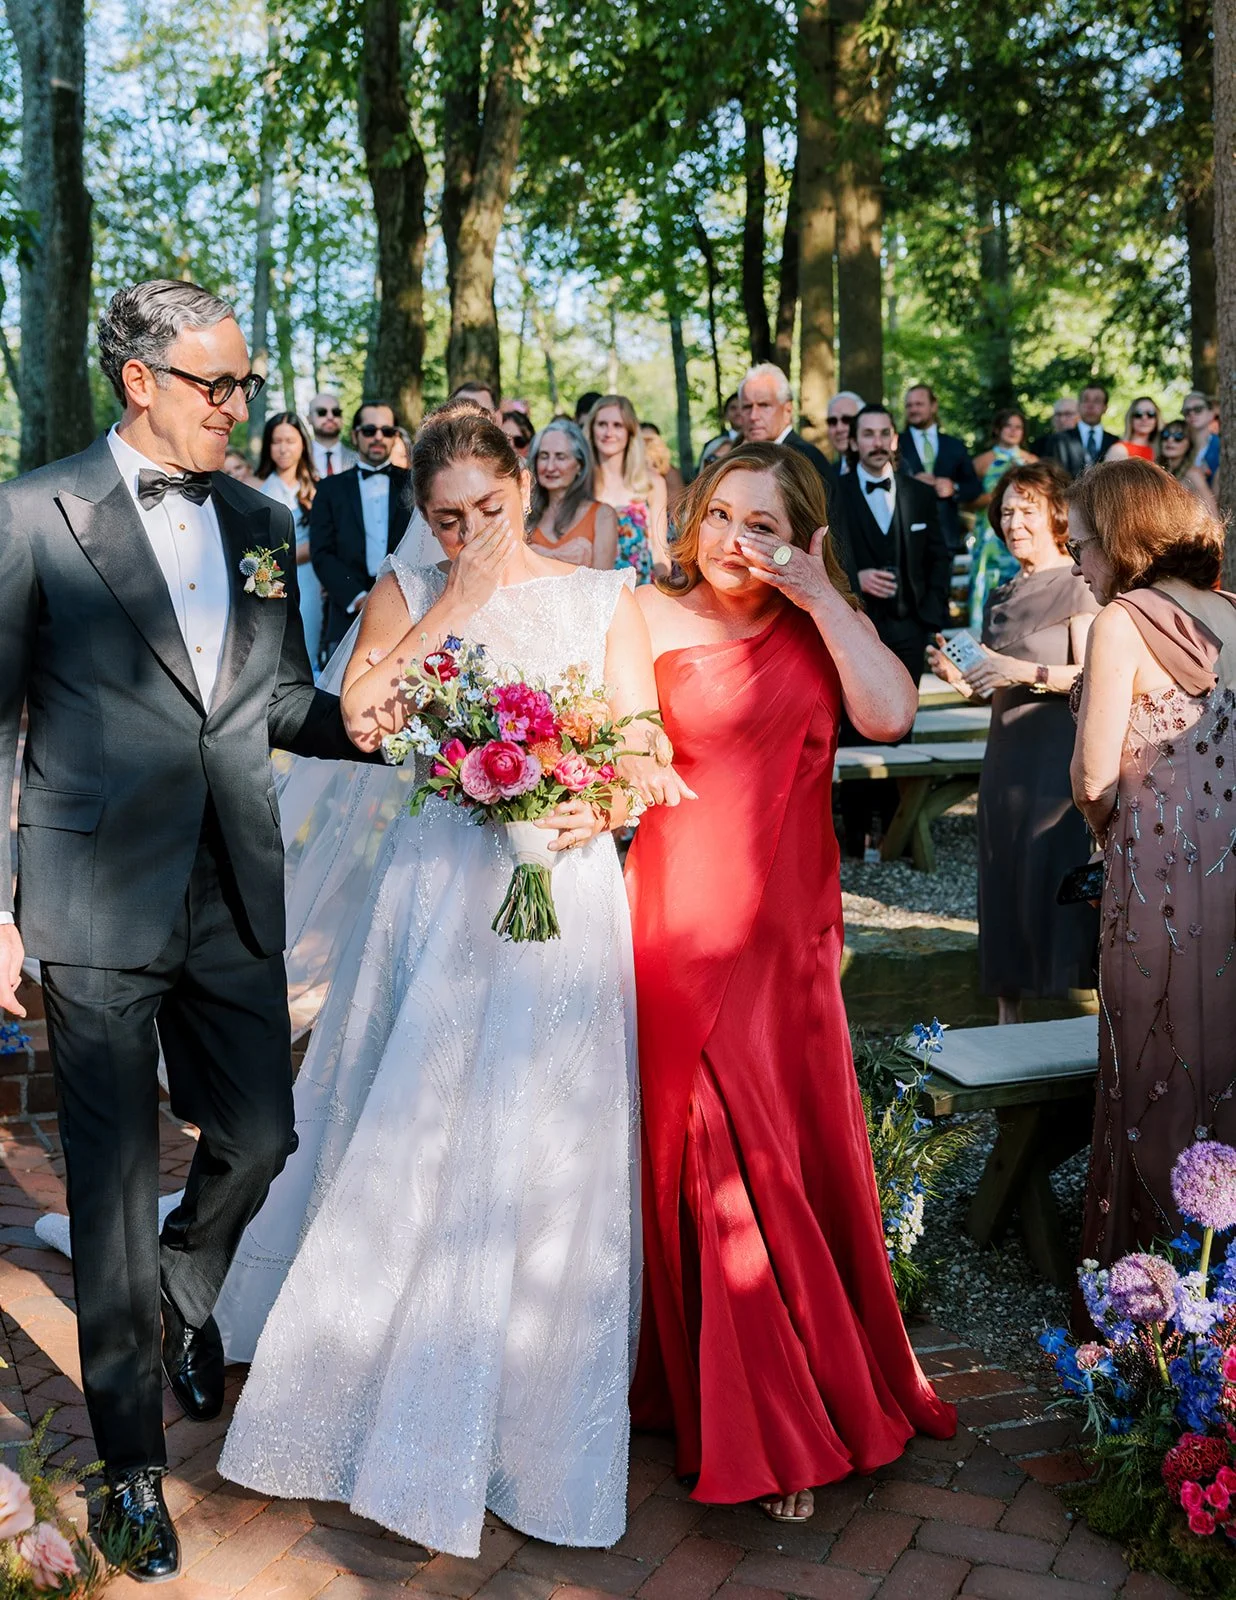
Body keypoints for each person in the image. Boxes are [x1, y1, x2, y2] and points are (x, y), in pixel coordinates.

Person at [214, 411, 688, 1559]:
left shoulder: (602, 596)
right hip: (436, 888)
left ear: (524, 484)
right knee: (413, 1123)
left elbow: (644, 749)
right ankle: (367, 1373)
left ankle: (524, 1416)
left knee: (545, 1134)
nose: (472, 529)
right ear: (424, 515)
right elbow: (363, 719)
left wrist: (588, 798)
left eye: (489, 507)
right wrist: (452, 600)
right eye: (447, 515)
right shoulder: (406, 590)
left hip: (560, 890)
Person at [0, 279, 364, 1580]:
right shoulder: (33, 514)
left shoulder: (265, 521)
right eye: (218, 383)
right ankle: (130, 1469)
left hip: (232, 886)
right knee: (104, 1185)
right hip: (92, 894)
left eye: (245, 382)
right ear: (140, 380)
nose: (239, 405)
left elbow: (277, 698)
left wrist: (392, 729)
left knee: (261, 1134)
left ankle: (186, 1285)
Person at [628, 442, 955, 1523]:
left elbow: (890, 716)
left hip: (791, 937)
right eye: (721, 515)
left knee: (784, 1154)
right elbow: (621, 750)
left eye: (762, 524)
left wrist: (821, 597)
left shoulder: (819, 624)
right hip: (679, 923)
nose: (734, 540)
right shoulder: (644, 614)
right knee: (713, 1156)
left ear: (802, 535)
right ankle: (762, 1423)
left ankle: (797, 1385)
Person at [1069, 458, 1236, 1277]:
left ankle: (1152, 1290)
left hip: (1155, 880)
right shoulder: (1232, 612)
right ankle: (1221, 1284)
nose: (1075, 562)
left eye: (1082, 544)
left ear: (1121, 538)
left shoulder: (1119, 623)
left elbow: (1093, 777)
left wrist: (1108, 832)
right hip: (1231, 870)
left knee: (1153, 1065)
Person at [928, 462, 1099, 1024]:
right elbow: (992, 682)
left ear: (1056, 516)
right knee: (1003, 874)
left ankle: (1090, 1020)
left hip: (1059, 754)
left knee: (1058, 870)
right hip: (1005, 756)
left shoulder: (1079, 583)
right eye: (1005, 512)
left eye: (1026, 510)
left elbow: (1093, 676)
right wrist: (962, 675)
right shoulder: (1001, 594)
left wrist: (1017, 670)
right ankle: (1008, 1019)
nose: (1012, 522)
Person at [832, 403, 950, 684]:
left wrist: (929, 618)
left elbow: (938, 556)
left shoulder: (920, 494)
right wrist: (856, 580)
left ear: (895, 440)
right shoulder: (832, 493)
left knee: (906, 710)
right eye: (868, 434)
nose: (878, 443)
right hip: (853, 629)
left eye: (884, 433)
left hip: (911, 629)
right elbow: (823, 556)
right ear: (853, 442)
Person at [309, 400, 415, 659]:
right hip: (346, 610)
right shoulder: (329, 489)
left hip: (404, 610)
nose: (378, 437)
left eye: (387, 431)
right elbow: (321, 552)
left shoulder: (414, 484)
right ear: (355, 435)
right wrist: (357, 598)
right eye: (369, 430)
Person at [255, 411, 325, 667]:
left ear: (303, 444)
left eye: (290, 441)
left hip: (309, 577)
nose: (283, 449)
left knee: (308, 648)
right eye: (276, 441)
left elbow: (325, 540)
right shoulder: (257, 488)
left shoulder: (319, 488)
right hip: (270, 580)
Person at [587, 393, 670, 582]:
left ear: (630, 431)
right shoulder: (581, 484)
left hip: (641, 590)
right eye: (602, 424)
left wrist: (663, 591)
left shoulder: (652, 483)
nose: (609, 432)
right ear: (591, 429)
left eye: (618, 425)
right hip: (592, 590)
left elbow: (660, 550)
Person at [968, 408, 1037, 629]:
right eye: (1008, 426)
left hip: (1023, 532)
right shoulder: (982, 462)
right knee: (985, 586)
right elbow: (967, 501)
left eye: (1018, 427)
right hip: (989, 536)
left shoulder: (1032, 461)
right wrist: (996, 497)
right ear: (998, 429)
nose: (1013, 431)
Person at [899, 384, 981, 554]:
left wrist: (954, 488)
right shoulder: (895, 444)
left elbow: (974, 487)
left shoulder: (955, 445)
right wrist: (909, 483)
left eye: (919, 404)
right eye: (909, 405)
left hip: (946, 539)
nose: (913, 409)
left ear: (934, 406)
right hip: (905, 537)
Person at [526, 418, 619, 568]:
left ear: (580, 465)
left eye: (560, 457)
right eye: (544, 456)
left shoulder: (603, 515)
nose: (550, 467)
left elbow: (604, 578)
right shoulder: (525, 515)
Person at [737, 363, 833, 486]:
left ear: (787, 410)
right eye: (747, 407)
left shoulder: (804, 458)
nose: (753, 416)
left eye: (764, 405)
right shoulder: (743, 457)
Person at [1040, 384, 1117, 478]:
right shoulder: (1058, 440)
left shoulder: (1115, 442)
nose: (1090, 405)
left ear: (1105, 408)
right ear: (1078, 406)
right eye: (1085, 400)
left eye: (1097, 401)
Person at [1157, 416, 1220, 516]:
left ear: (1189, 444)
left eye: (1178, 437)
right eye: (1166, 435)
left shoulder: (1193, 474)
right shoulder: (1158, 471)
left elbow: (1213, 515)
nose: (1170, 440)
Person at [307, 391, 357, 478]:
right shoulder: (299, 459)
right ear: (309, 419)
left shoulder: (358, 459)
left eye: (336, 412)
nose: (330, 417)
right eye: (322, 412)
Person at [640, 422, 685, 511]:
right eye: (642, 440)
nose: (647, 445)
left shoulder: (669, 472)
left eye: (651, 440)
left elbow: (675, 511)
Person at [1105, 396, 1161, 461]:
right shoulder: (1119, 450)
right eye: (1138, 414)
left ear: (1157, 419)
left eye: (1150, 414)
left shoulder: (1161, 450)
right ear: (1130, 418)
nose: (1144, 418)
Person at [1183, 390, 1221, 484]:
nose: (1192, 414)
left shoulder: (1221, 446)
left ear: (1211, 413)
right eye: (1187, 411)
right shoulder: (1178, 444)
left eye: (1198, 409)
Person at [825, 390, 864, 472]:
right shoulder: (828, 474)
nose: (839, 429)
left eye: (847, 420)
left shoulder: (887, 471)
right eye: (832, 421)